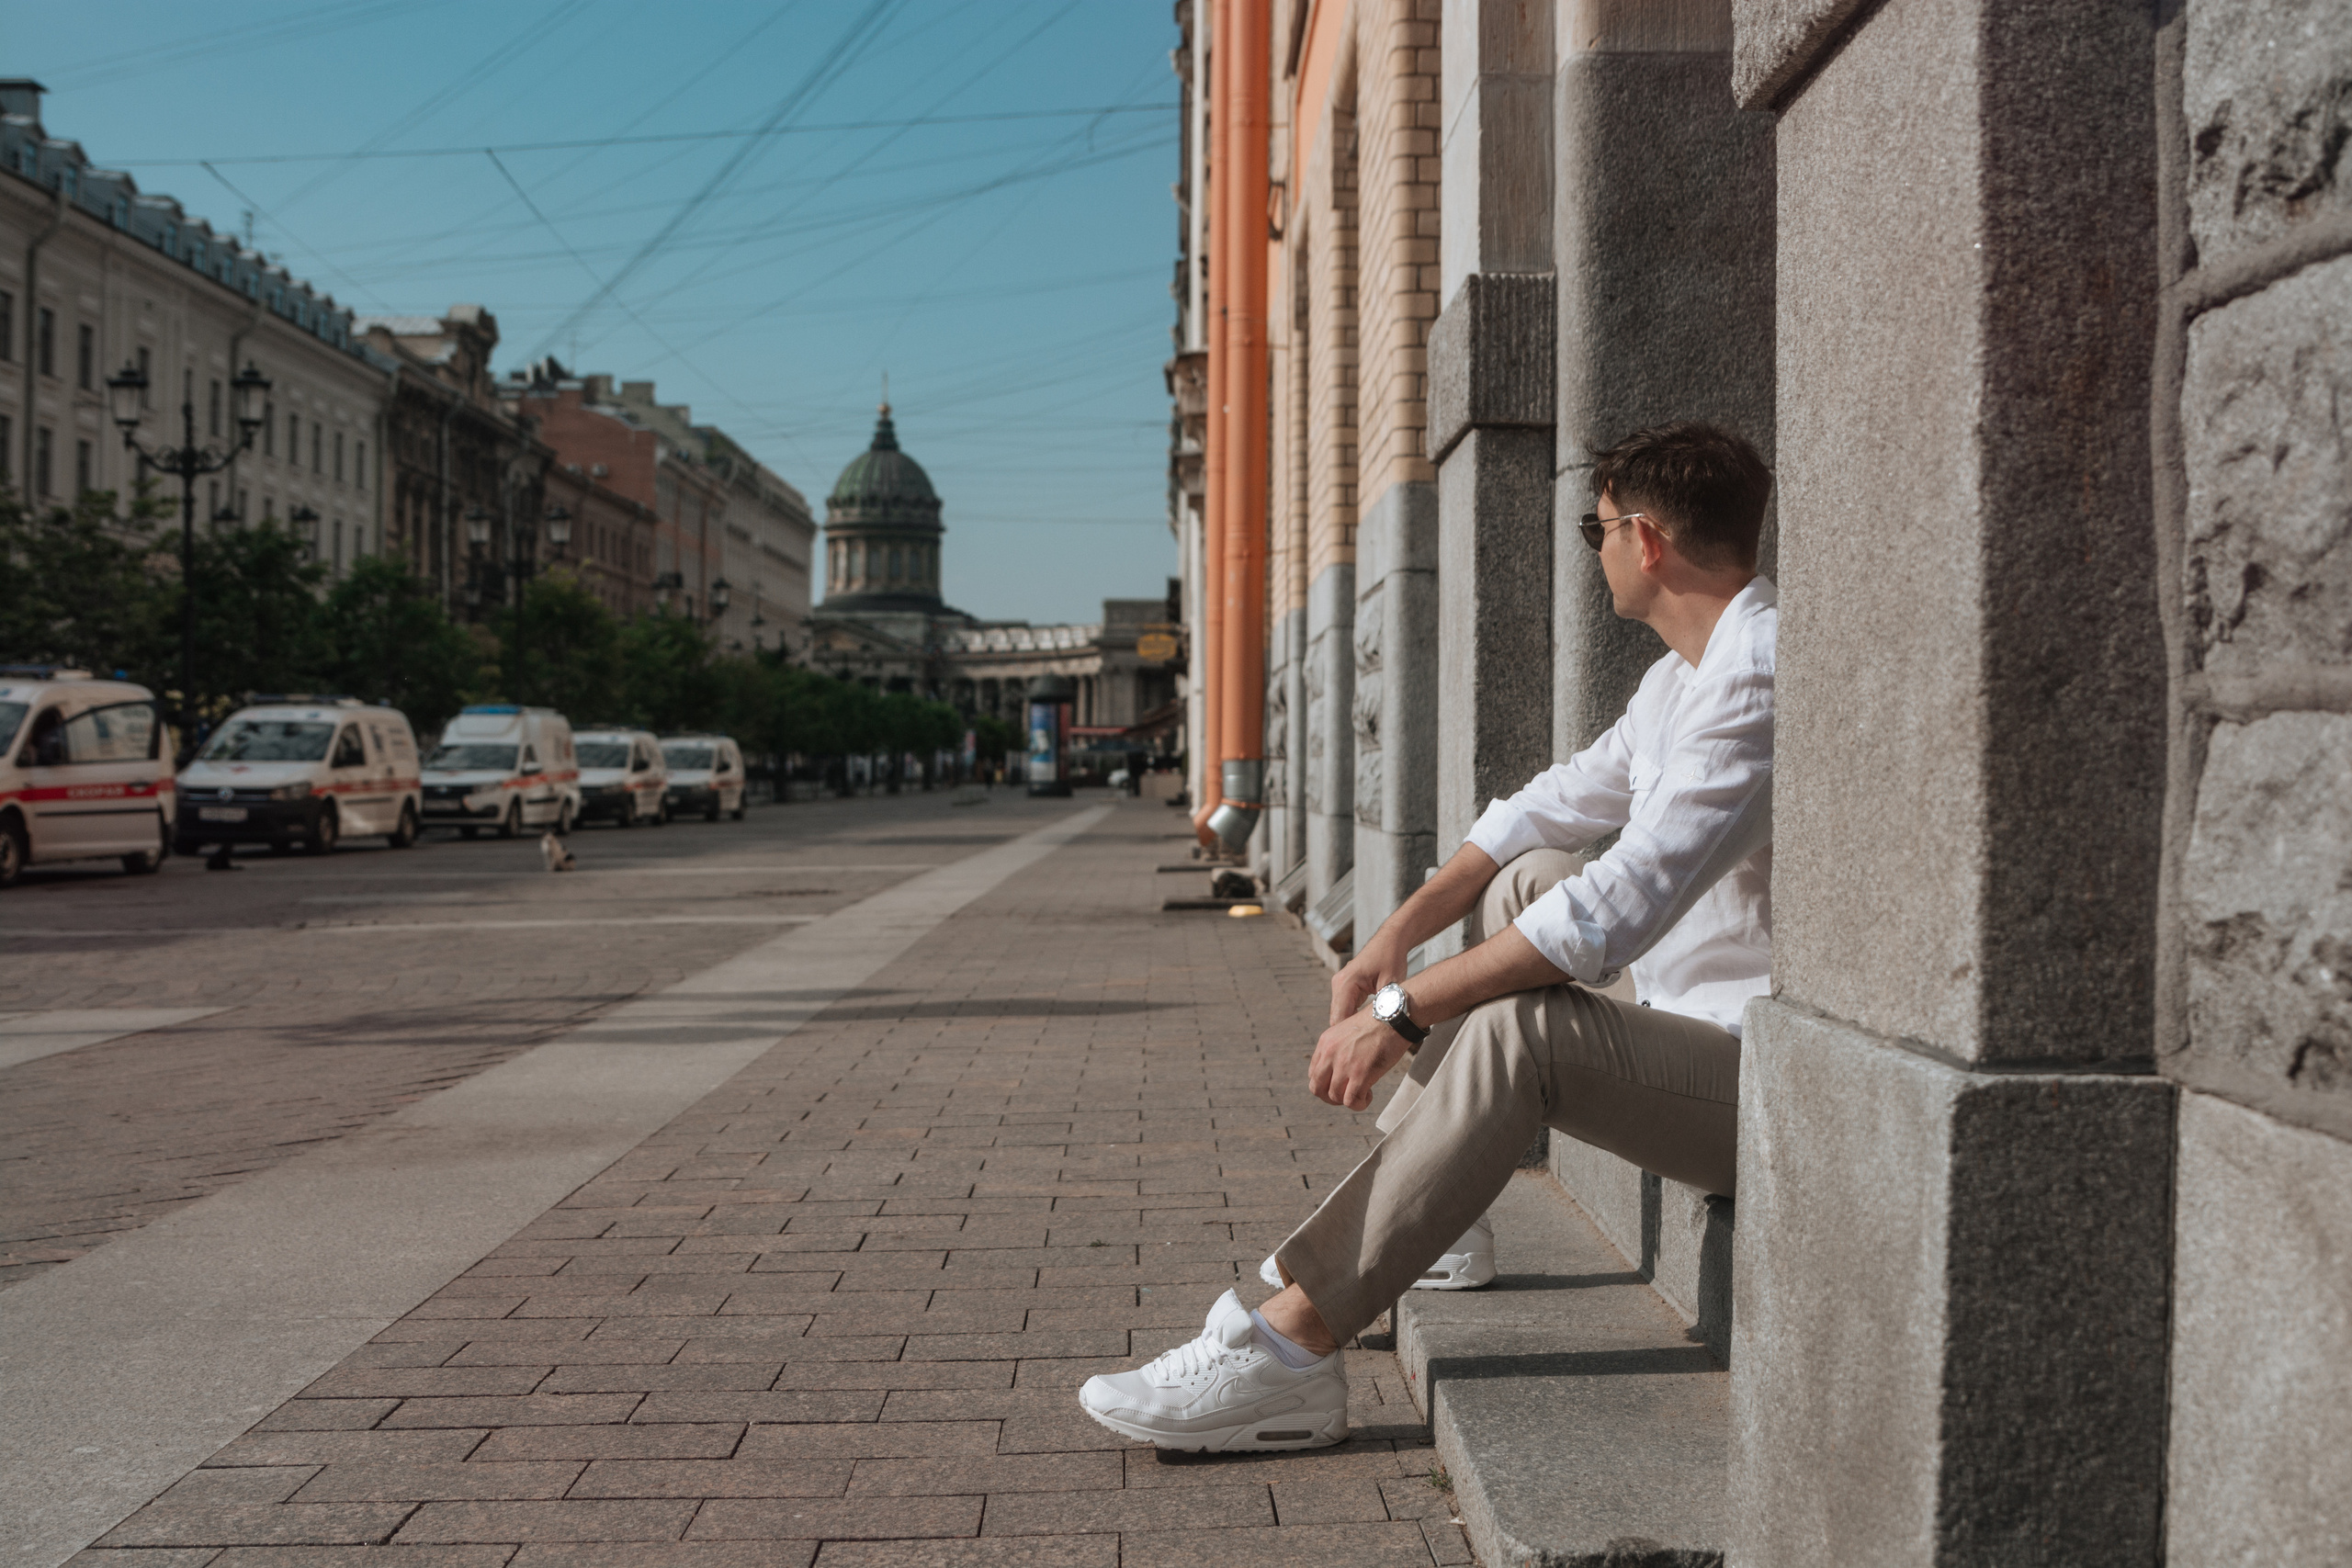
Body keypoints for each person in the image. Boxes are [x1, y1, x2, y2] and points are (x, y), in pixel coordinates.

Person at [1080, 422, 1777, 1452]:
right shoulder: (1680, 675)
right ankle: (1437, 1219)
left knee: (1517, 1030)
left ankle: (1287, 1352)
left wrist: (1402, 1013)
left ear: (1647, 540)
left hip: (1761, 1082)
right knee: (1527, 882)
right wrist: (1391, 938)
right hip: (1684, 1018)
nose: (1594, 552)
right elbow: (1538, 813)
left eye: (1595, 532)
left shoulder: (1757, 676)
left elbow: (1614, 908)